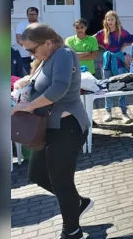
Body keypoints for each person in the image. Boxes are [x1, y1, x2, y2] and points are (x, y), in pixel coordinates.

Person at [12, 23, 93, 239]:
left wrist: (28, 106)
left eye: (32, 49)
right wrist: (26, 82)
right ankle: (77, 202)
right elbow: (42, 82)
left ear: (48, 43)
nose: (29, 53)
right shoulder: (46, 58)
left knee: (61, 180)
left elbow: (58, 88)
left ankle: (72, 231)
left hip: (68, 127)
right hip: (48, 127)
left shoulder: (64, 54)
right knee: (37, 174)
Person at [94, 11, 133, 123]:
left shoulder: (121, 32)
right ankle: (108, 112)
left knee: (121, 86)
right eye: (108, 19)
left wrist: (123, 46)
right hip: (107, 61)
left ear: (116, 21)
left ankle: (124, 112)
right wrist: (102, 46)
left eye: (112, 19)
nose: (110, 22)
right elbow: (92, 40)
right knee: (107, 86)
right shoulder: (102, 33)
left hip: (119, 60)